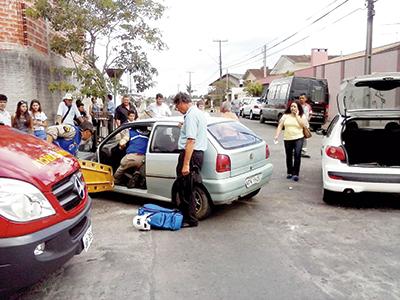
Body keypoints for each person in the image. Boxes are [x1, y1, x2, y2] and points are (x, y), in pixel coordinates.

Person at [173, 92, 207, 227]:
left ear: (182, 102)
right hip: (197, 154)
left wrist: (186, 164)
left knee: (185, 188)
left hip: (191, 155)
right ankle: (189, 217)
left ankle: (190, 219)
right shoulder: (198, 113)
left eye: (177, 106)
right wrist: (184, 127)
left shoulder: (191, 116)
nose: (178, 109)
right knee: (188, 187)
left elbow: (191, 141)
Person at [274, 101, 308, 182]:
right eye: (291, 106)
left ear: (298, 108)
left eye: (294, 106)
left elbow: (304, 125)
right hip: (287, 138)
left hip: (299, 138)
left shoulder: (301, 116)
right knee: (288, 156)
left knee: (297, 154)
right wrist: (276, 135)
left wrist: (297, 116)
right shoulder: (285, 116)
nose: (293, 108)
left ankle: (296, 174)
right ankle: (289, 172)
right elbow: (280, 126)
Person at [299, 93, 312, 158]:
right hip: (298, 125)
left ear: (306, 99)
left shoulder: (308, 106)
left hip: (305, 125)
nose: (301, 99)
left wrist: (308, 120)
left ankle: (303, 151)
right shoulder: (297, 106)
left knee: (305, 138)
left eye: (303, 98)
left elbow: (310, 114)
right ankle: (296, 150)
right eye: (300, 98)